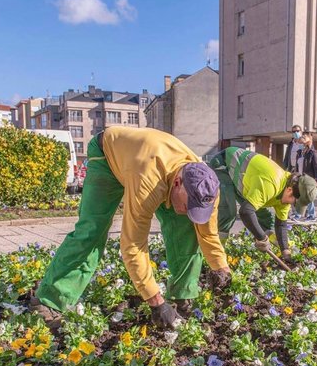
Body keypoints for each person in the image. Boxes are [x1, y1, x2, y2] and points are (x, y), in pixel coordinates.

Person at [31, 126, 231, 330]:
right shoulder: (148, 181)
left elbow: (208, 234)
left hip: (152, 164)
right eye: (189, 205)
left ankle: (182, 296)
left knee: (186, 226)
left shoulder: (206, 186)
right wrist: (156, 303)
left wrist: (222, 269)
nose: (190, 211)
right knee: (91, 231)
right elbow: (133, 244)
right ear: (178, 183)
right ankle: (49, 300)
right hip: (108, 157)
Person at [209, 147, 317, 262]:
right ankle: (215, 256)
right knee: (228, 212)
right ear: (290, 190)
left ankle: (268, 239)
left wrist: (285, 251)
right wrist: (261, 238)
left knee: (265, 218)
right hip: (224, 165)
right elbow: (245, 212)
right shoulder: (271, 183)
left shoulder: (286, 191)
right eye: (295, 203)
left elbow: (281, 225)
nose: (291, 206)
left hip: (243, 180)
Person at [296, 130, 317, 221]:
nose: (302, 138)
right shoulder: (301, 151)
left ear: (309, 139)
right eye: (302, 136)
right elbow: (298, 165)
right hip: (301, 177)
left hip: (309, 178)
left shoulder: (312, 152)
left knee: (308, 197)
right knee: (300, 196)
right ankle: (300, 214)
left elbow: (316, 166)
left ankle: (310, 215)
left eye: (304, 137)